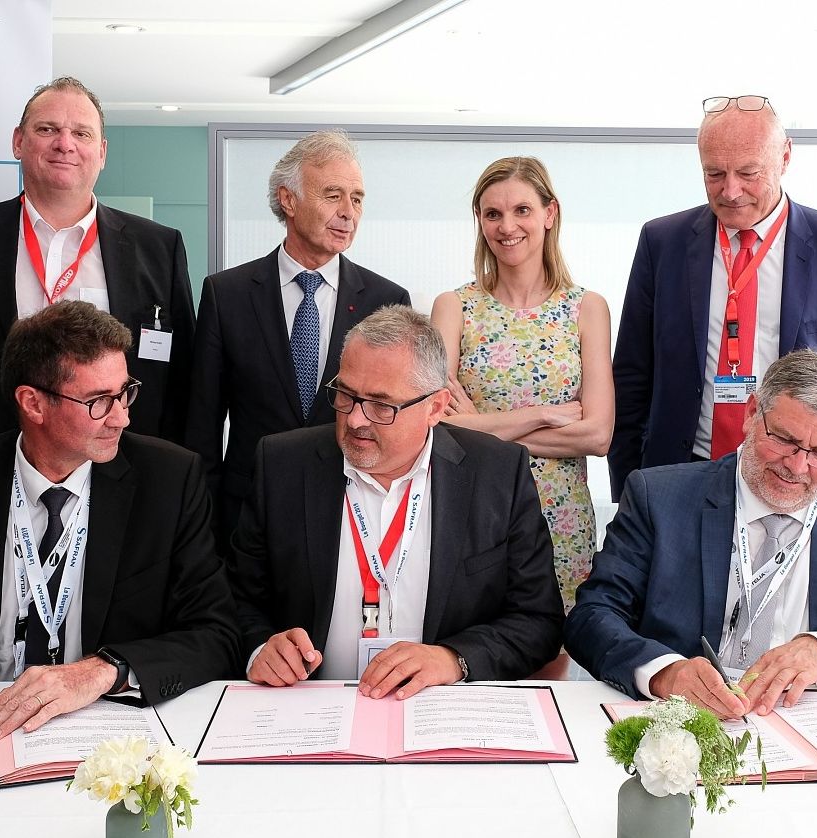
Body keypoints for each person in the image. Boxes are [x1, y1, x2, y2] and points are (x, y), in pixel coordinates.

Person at [565, 350, 817, 719]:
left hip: (804, 719)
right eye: (784, 439)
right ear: (752, 413)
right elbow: (592, 616)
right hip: (681, 719)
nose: (797, 466)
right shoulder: (659, 497)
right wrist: (664, 672)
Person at [229, 305, 564, 698]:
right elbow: (236, 601)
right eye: (346, 395)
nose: (356, 419)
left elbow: (538, 621)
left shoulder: (497, 474)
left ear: (435, 407)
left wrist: (455, 659)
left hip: (436, 709)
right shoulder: (283, 464)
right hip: (310, 708)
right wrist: (259, 649)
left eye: (381, 405)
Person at [0, 301, 238, 739]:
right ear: (33, 403)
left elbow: (216, 634)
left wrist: (105, 670)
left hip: (105, 721)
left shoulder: (168, 480)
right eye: (99, 401)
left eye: (124, 393)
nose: (122, 417)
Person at [609, 94, 817, 500]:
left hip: (794, 479)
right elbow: (631, 382)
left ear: (785, 157)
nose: (730, 191)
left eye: (748, 173)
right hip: (679, 477)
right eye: (714, 174)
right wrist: (629, 495)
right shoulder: (662, 243)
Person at [186, 130, 409, 550]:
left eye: (357, 199)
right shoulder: (227, 294)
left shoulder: (387, 301)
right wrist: (202, 531)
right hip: (245, 518)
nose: (348, 213)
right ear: (288, 200)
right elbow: (202, 426)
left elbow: (396, 422)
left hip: (352, 514)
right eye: (333, 196)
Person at [0, 76, 195, 446]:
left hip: (121, 460)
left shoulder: (159, 247)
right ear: (18, 141)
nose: (65, 144)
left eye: (82, 133)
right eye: (47, 129)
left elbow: (182, 375)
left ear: (102, 153)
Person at [431, 156, 613, 608]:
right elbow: (435, 426)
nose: (507, 226)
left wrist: (480, 427)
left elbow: (597, 435)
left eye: (522, 210)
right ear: (479, 220)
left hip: (561, 518)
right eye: (493, 213)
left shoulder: (587, 308)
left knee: (562, 643)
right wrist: (543, 415)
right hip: (476, 512)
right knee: (476, 640)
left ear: (550, 214)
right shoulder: (453, 307)